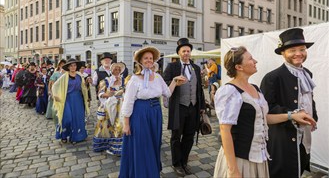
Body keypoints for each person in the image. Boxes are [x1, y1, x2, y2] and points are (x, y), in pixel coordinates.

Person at [214, 46, 316, 178]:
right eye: (251, 59)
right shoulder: (229, 91)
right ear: (239, 67)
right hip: (240, 158)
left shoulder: (255, 89)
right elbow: (224, 130)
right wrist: (233, 170)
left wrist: (292, 115)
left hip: (260, 157)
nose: (255, 61)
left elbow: (264, 118)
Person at [119, 46, 186, 178]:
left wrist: (174, 81)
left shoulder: (157, 77)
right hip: (140, 114)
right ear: (140, 61)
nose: (149, 60)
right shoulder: (134, 79)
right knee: (142, 144)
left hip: (155, 114)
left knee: (154, 143)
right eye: (146, 58)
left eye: (151, 58)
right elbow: (128, 102)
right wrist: (126, 123)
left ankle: (152, 172)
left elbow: (167, 93)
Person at [260, 28, 318, 178]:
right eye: (292, 50)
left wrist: (313, 117)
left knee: (298, 169)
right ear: (282, 53)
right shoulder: (272, 77)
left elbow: (309, 99)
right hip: (282, 138)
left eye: (302, 49)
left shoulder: (308, 73)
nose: (299, 53)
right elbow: (266, 110)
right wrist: (294, 115)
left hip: (304, 136)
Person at [163, 38, 206, 177]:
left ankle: (184, 161)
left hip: (193, 107)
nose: (186, 53)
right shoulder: (172, 67)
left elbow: (199, 88)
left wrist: (202, 106)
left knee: (189, 136)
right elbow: (164, 84)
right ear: (179, 53)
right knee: (176, 136)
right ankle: (176, 163)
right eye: (184, 51)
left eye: (188, 51)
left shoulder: (196, 67)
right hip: (179, 106)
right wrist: (175, 81)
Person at [52, 58, 90, 143]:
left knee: (78, 118)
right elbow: (55, 86)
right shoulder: (64, 77)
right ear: (68, 67)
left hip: (78, 99)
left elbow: (83, 88)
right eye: (71, 66)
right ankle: (64, 135)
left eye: (74, 65)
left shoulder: (80, 76)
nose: (73, 67)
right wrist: (55, 96)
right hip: (67, 99)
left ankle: (76, 136)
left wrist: (86, 96)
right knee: (67, 117)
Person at [93, 62, 125, 155]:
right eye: (115, 69)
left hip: (121, 105)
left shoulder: (124, 80)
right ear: (111, 70)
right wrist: (107, 94)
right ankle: (106, 144)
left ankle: (118, 147)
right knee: (106, 125)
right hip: (109, 105)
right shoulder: (106, 80)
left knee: (119, 124)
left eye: (119, 69)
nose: (117, 71)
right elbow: (100, 93)